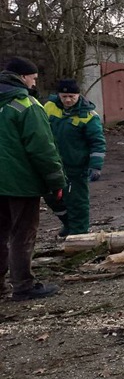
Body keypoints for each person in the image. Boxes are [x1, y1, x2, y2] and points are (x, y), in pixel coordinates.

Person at [0, 56, 66, 301]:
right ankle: (23, 285)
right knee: (22, 233)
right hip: (20, 183)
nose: (34, 84)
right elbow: (42, 149)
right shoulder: (26, 105)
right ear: (23, 77)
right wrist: (56, 182)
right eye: (33, 79)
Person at [43, 79, 106, 236]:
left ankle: (79, 233)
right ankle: (68, 224)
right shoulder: (48, 107)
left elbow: (97, 142)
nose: (68, 100)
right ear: (59, 95)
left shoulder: (89, 116)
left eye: (71, 96)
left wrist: (96, 165)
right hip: (52, 164)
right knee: (52, 198)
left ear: (78, 95)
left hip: (76, 166)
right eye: (64, 96)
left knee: (77, 201)